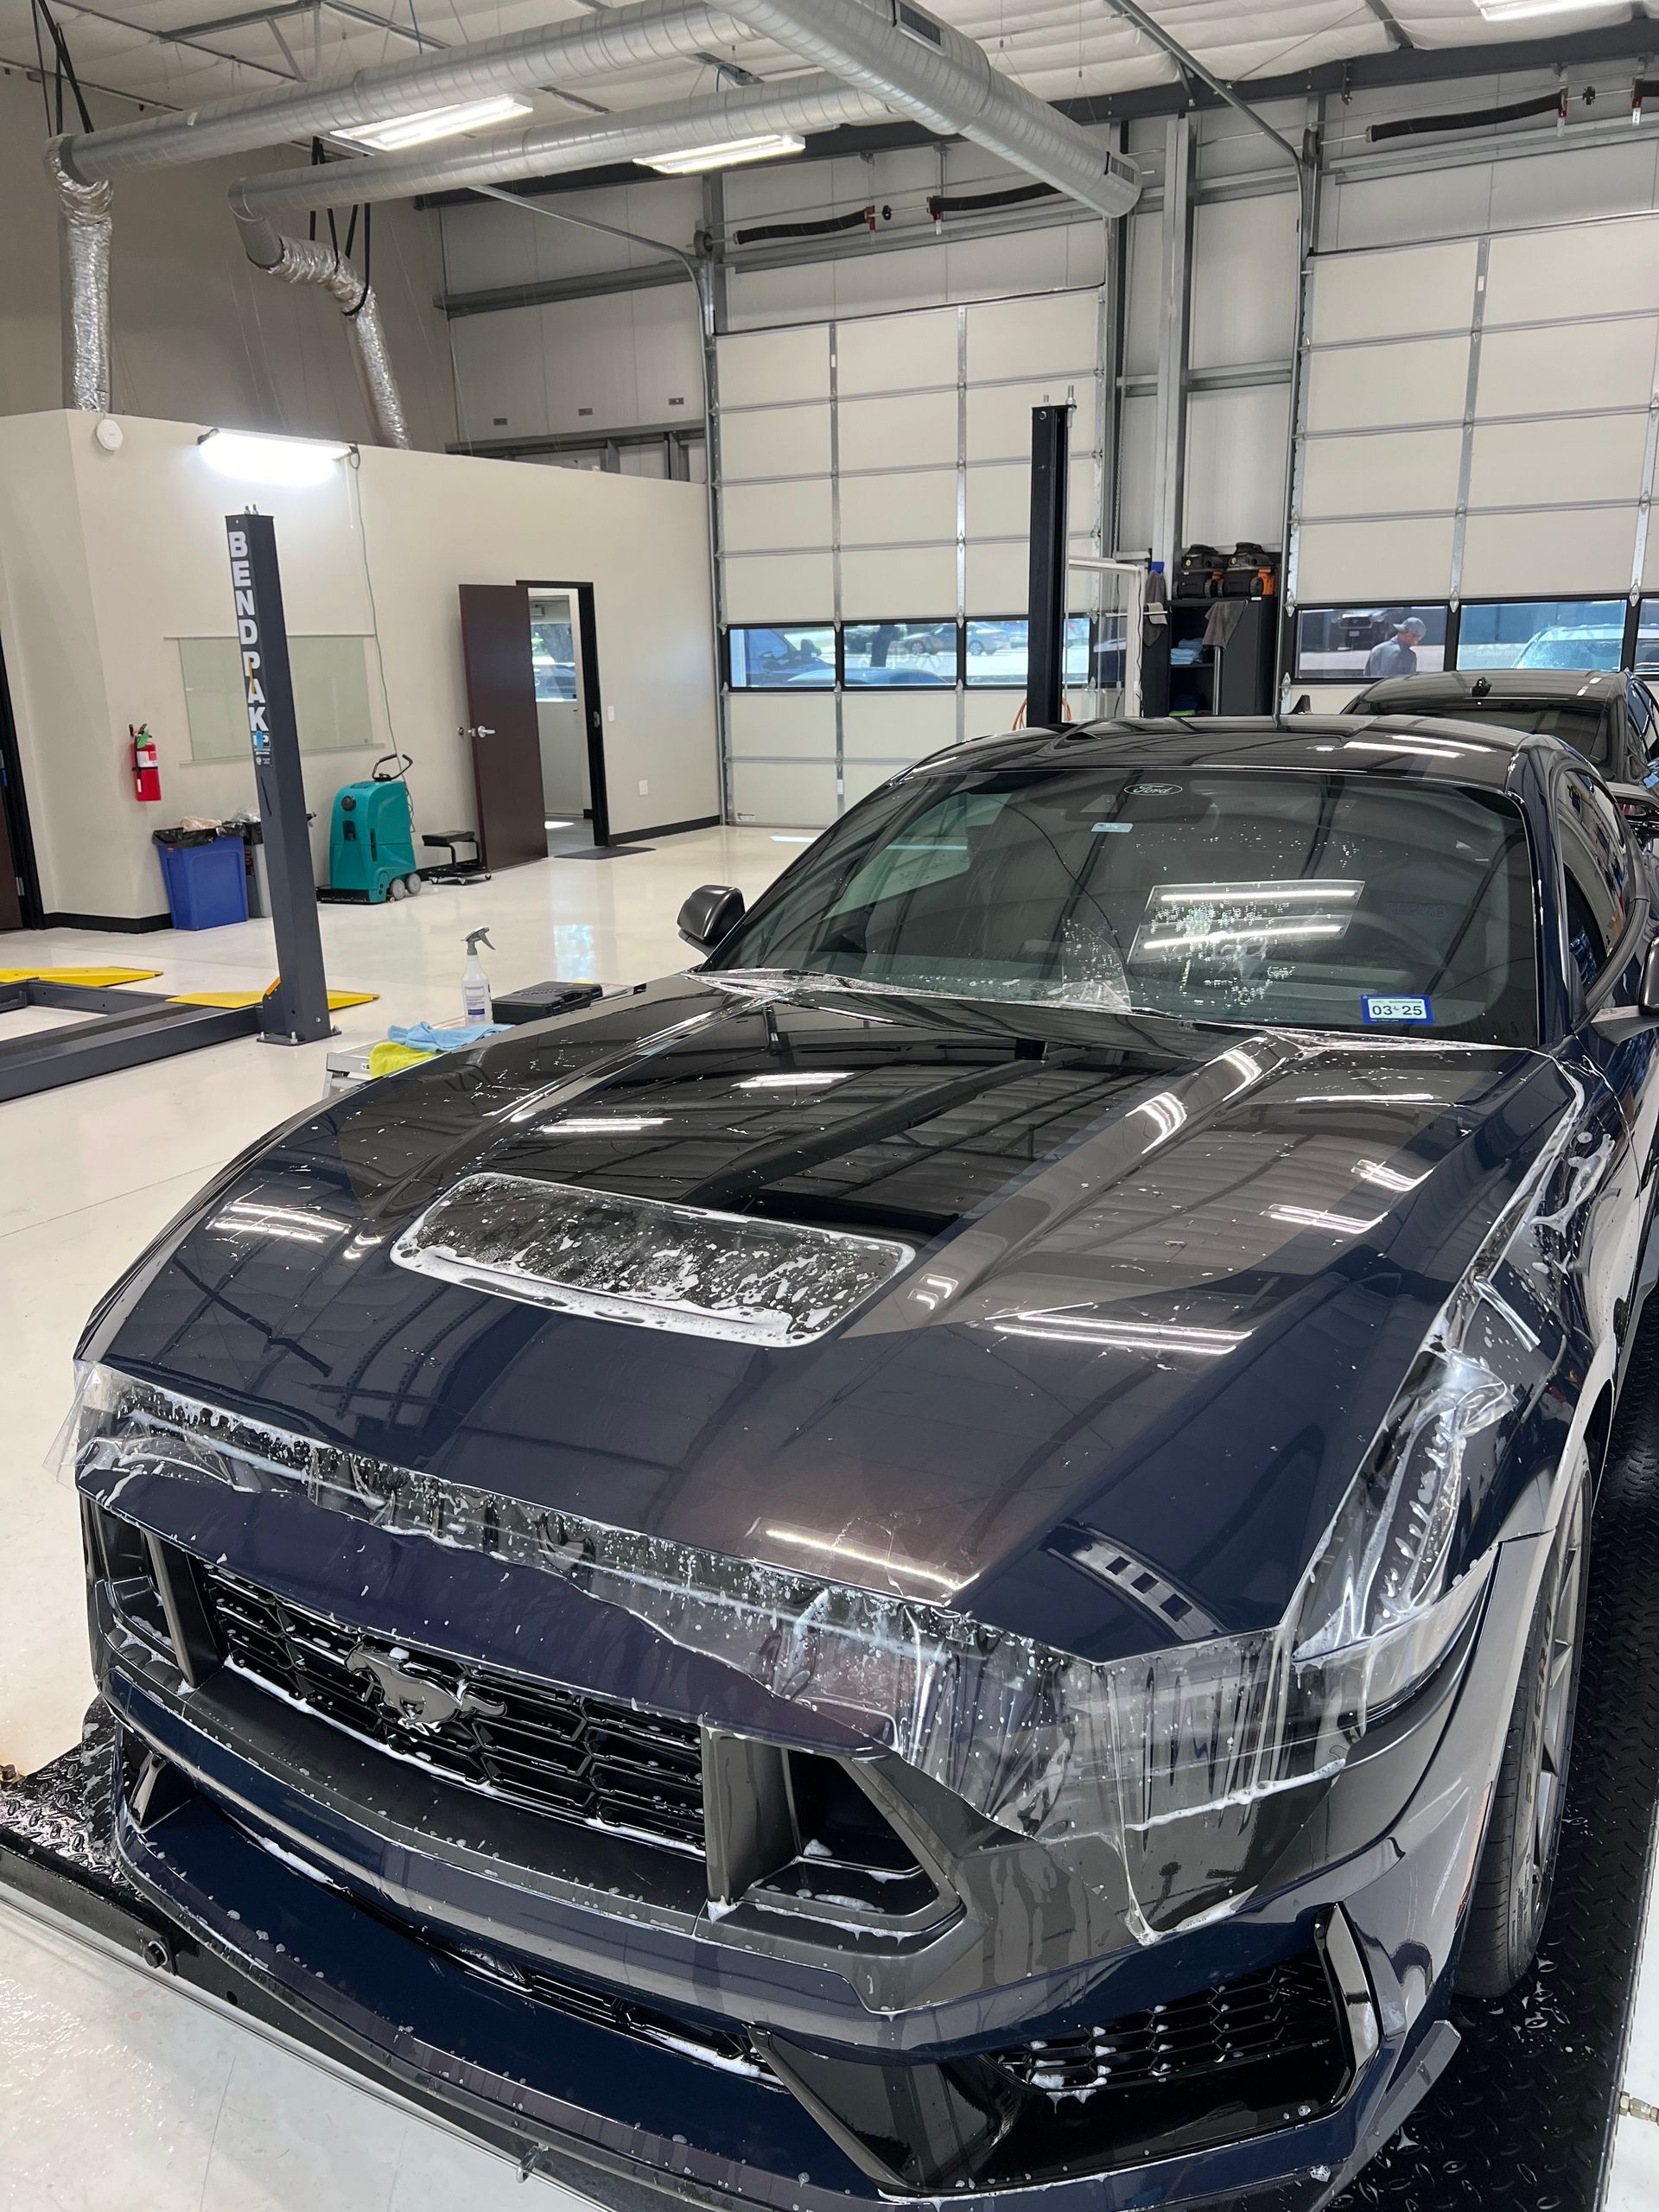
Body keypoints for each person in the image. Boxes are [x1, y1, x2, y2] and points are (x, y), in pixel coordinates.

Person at [1364, 613, 1427, 679]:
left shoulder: (1376, 649)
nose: (1415, 644)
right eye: (1417, 640)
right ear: (1409, 635)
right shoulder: (1409, 656)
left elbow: (1366, 677)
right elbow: (1407, 683)